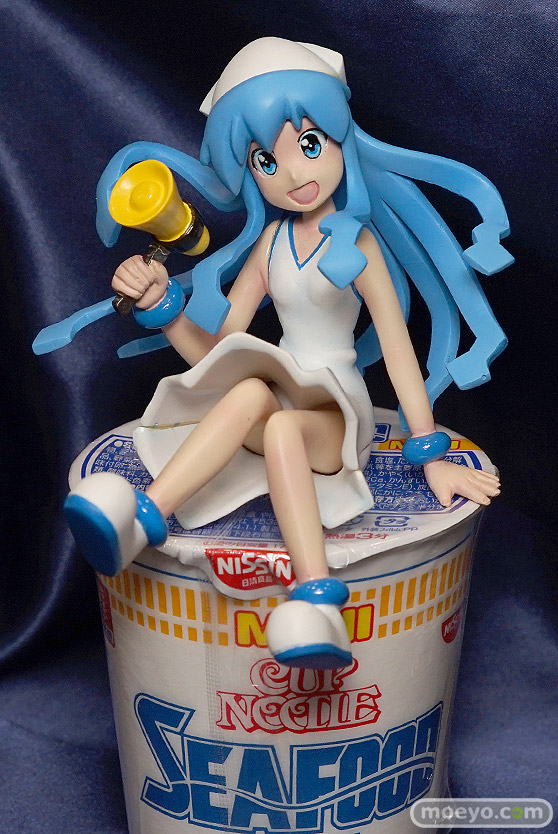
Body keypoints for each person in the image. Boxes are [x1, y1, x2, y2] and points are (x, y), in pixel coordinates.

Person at [65, 38, 510, 669]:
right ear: (249, 173)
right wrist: (163, 307)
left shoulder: (356, 243)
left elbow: (396, 348)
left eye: (309, 144)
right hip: (277, 392)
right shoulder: (270, 245)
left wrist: (429, 453)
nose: (295, 174)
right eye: (266, 160)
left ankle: (316, 599)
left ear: (340, 137)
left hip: (335, 418)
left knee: (280, 428)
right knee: (250, 391)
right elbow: (219, 358)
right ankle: (143, 520)